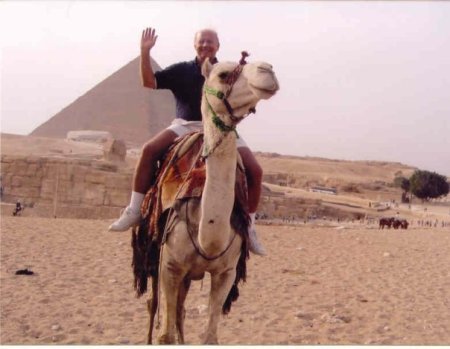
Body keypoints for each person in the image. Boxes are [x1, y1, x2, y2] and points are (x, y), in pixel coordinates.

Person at [108, 27, 266, 256]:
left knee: (255, 171)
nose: (205, 45)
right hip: (185, 125)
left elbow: (249, 96)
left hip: (221, 127)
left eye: (210, 42)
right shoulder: (182, 70)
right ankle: (135, 209)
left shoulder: (229, 72)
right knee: (149, 150)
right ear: (195, 45)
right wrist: (144, 52)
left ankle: (250, 227)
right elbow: (149, 81)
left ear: (218, 46)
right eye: (201, 42)